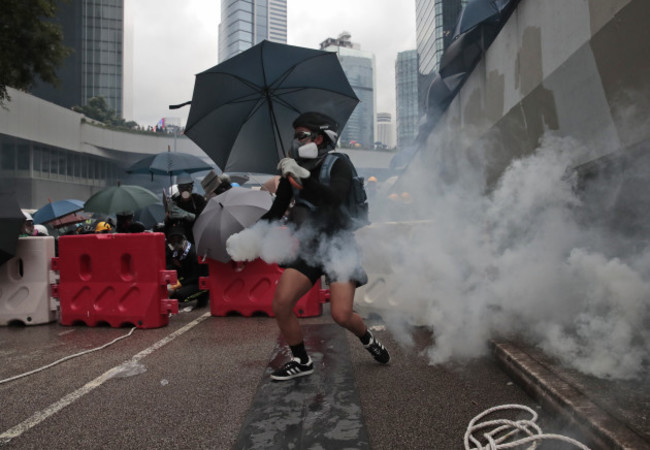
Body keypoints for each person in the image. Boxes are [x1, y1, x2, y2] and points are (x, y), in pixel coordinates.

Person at [259, 111, 390, 381]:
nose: (296, 141)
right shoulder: (289, 173)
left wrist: (304, 180)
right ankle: (301, 359)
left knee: (342, 315)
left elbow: (335, 197)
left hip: (340, 246)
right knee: (281, 304)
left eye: (301, 135)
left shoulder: (337, 163)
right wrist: (247, 234)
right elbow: (276, 212)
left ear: (318, 137)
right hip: (309, 248)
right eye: (294, 137)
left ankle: (367, 338)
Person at [165, 226, 209, 308]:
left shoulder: (194, 253)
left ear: (184, 239)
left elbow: (196, 275)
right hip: (186, 279)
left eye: (178, 239)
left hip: (199, 281)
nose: (175, 243)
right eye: (172, 240)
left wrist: (179, 284)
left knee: (179, 296)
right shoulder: (174, 253)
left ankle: (203, 295)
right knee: (168, 291)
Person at [165, 173, 206, 243]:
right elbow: (168, 226)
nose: (185, 190)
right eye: (182, 187)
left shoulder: (198, 200)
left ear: (192, 187)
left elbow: (203, 219)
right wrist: (168, 217)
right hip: (180, 240)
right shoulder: (175, 201)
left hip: (196, 238)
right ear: (178, 188)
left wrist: (187, 215)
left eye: (187, 187)